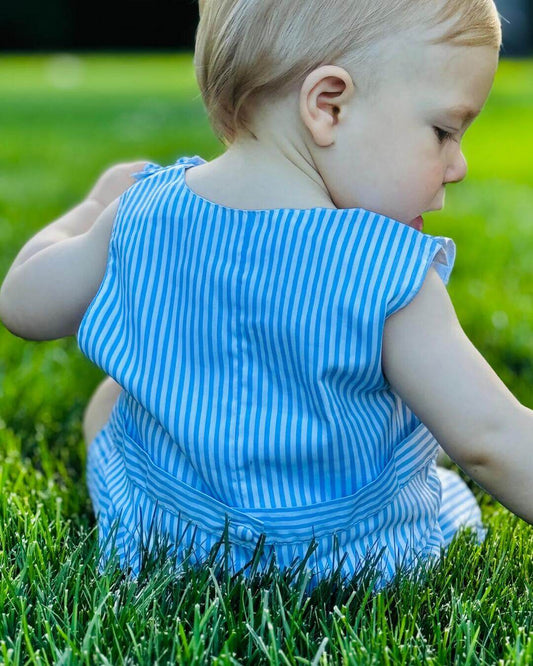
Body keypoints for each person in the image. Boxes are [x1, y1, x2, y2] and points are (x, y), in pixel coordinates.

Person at [1, 0, 529, 591]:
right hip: (355, 564)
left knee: (110, 401)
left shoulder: (141, 213)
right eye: (444, 131)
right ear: (328, 105)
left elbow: (22, 304)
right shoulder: (385, 272)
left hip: (171, 552)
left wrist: (96, 209)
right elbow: (492, 440)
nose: (457, 166)